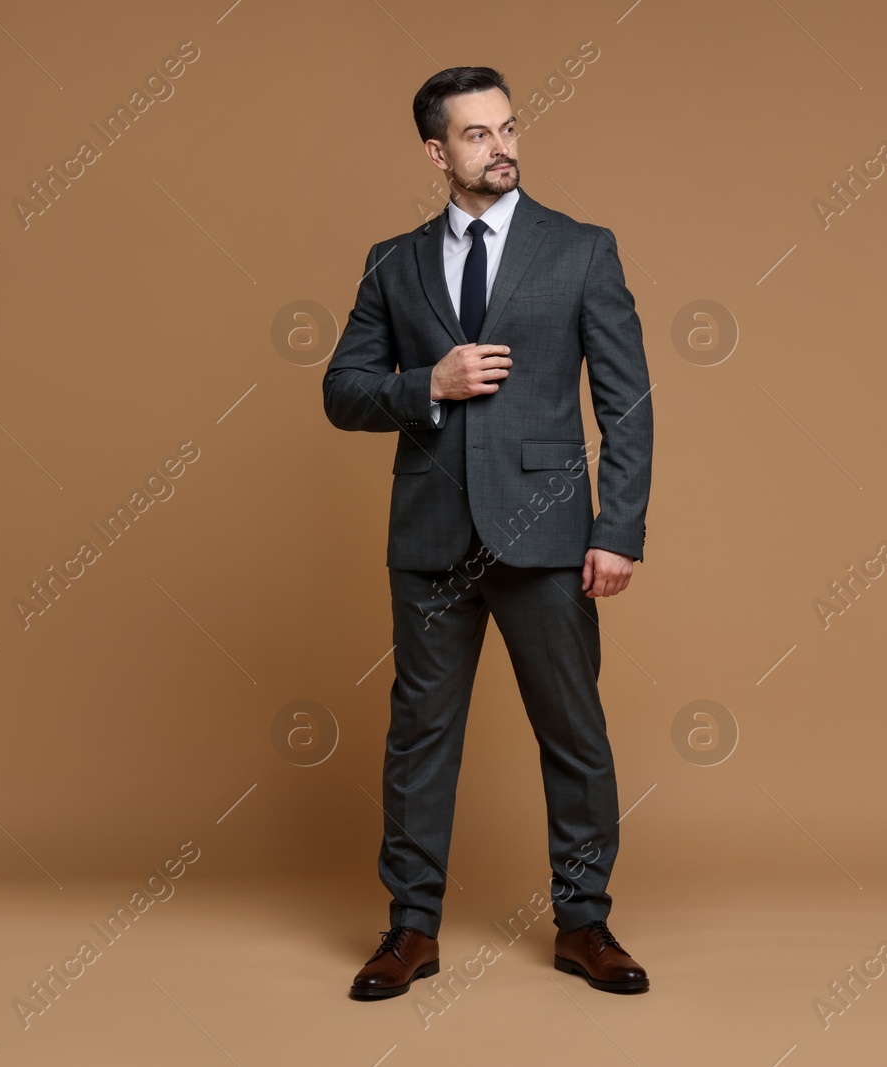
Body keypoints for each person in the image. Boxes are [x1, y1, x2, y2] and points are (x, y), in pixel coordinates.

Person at [323, 65, 654, 1000]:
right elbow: (342, 390)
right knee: (418, 737)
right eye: (477, 134)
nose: (501, 145)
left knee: (574, 733)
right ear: (437, 151)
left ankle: (585, 923)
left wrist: (617, 529)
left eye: (508, 127)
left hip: (549, 535)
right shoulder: (392, 261)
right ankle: (409, 929)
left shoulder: (583, 250)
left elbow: (627, 407)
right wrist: (427, 383)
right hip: (430, 537)